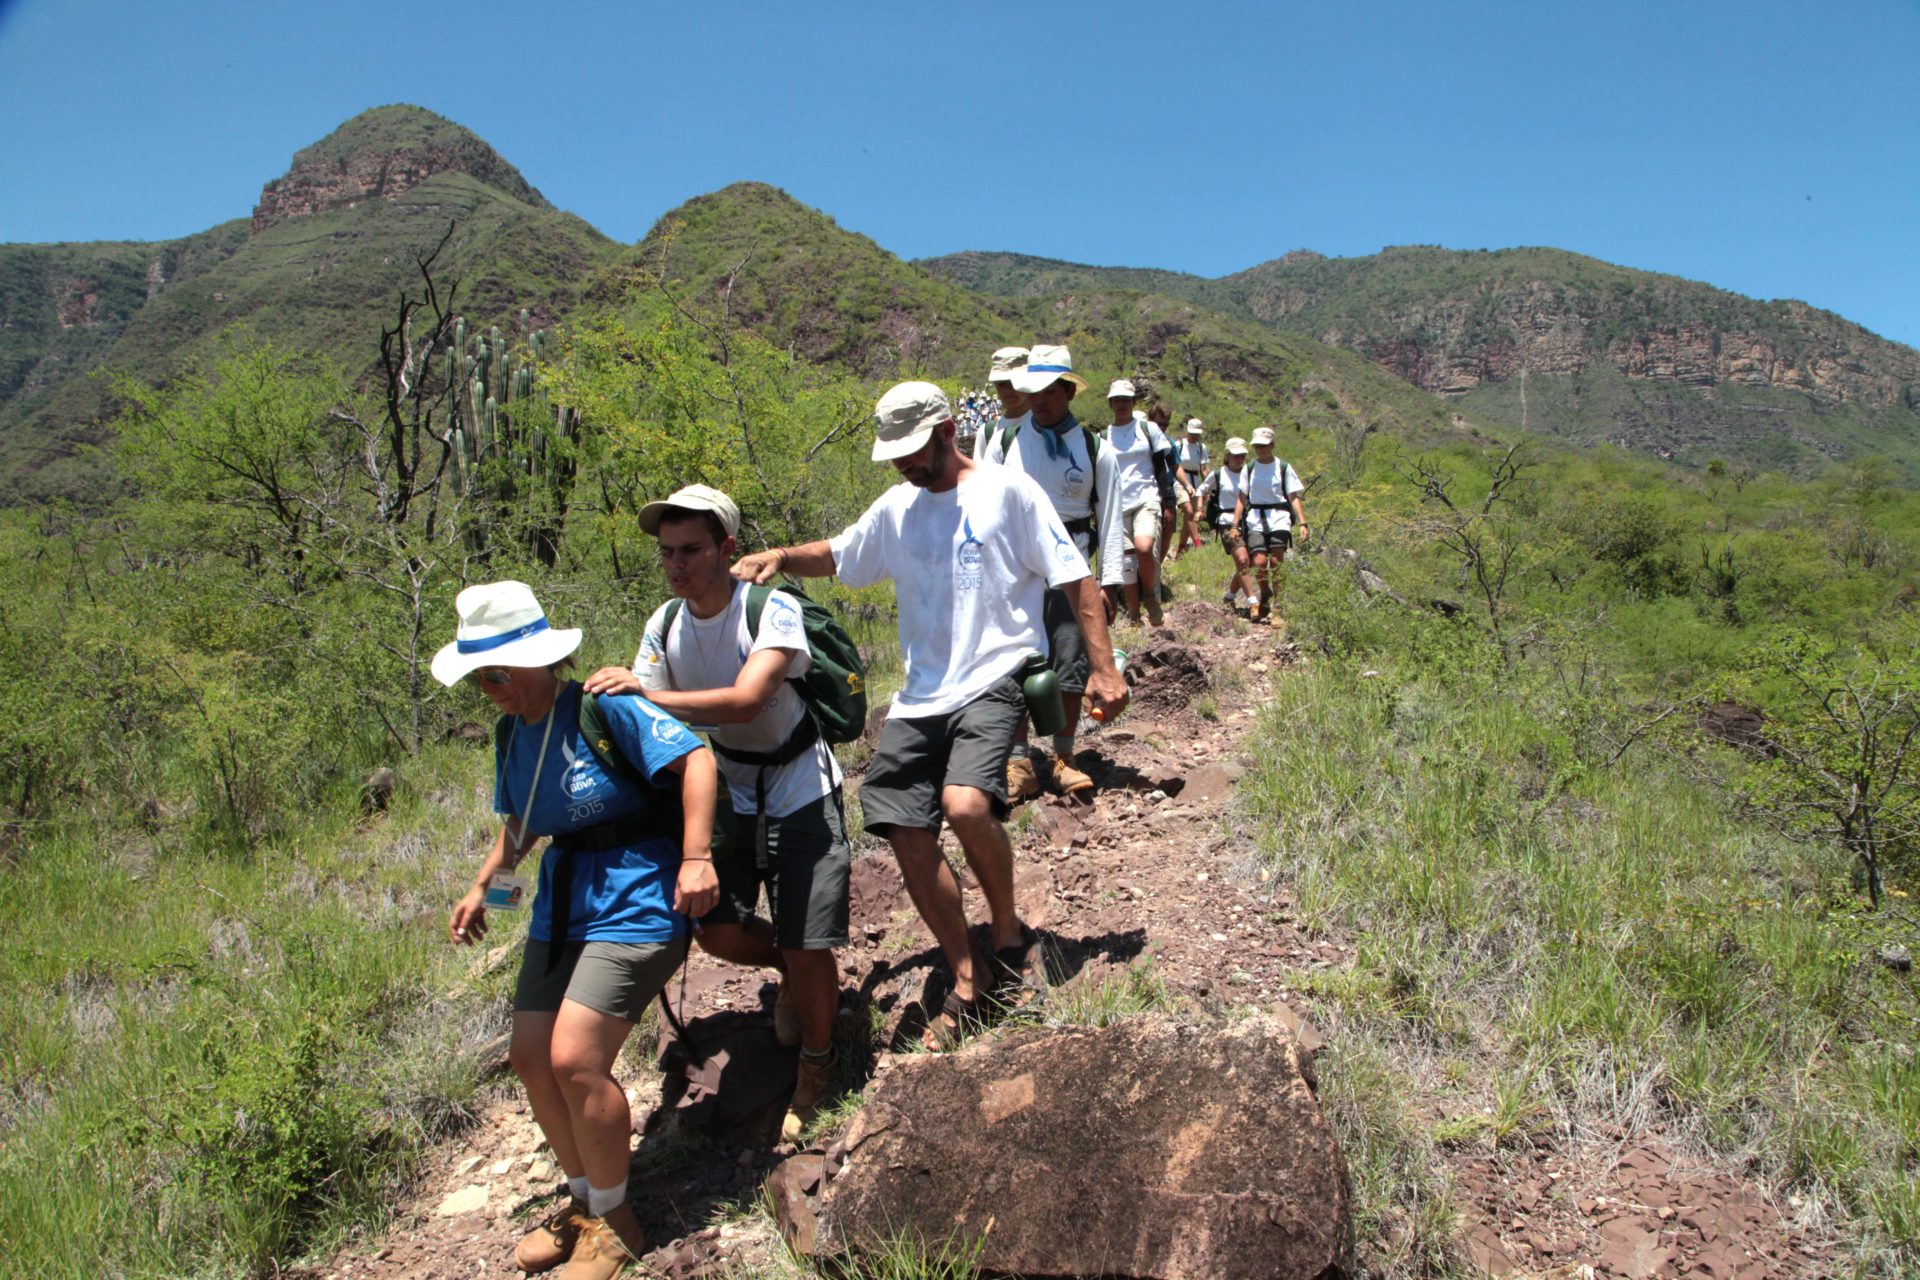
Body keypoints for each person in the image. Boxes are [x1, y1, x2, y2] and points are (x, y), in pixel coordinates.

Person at [734, 381, 1128, 1048]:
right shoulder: (897, 507)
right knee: (895, 816)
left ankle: (1007, 932)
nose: (904, 466)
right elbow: (838, 554)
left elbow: (1076, 580)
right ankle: (969, 973)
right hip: (921, 695)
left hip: (997, 675)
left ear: (948, 430)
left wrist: (1105, 667)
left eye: (914, 451)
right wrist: (781, 556)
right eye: (895, 457)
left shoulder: (1009, 491)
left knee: (967, 804)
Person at [439, 581, 720, 1280]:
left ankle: (619, 1224)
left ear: (538, 660)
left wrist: (695, 857)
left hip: (637, 893)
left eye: (497, 672)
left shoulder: (603, 704)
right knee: (531, 1058)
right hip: (565, 903)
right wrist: (484, 887)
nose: (488, 688)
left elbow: (697, 761)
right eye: (478, 677)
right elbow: (525, 820)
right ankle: (586, 1199)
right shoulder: (512, 733)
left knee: (574, 1060)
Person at [582, 484, 848, 1143]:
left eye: (692, 550)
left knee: (807, 940)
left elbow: (746, 701)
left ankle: (818, 1064)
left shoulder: (772, 610)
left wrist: (644, 695)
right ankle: (788, 974)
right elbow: (639, 710)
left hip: (799, 784)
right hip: (729, 787)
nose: (677, 565)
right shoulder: (664, 623)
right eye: (667, 552)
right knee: (717, 930)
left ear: (727, 549)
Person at [983, 344, 1129, 798]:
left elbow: (1110, 518)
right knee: (1016, 663)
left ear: (1067, 391)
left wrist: (1110, 584)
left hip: (1070, 569)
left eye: (1048, 391)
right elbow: (982, 506)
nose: (1039, 400)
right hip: (1014, 569)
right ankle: (1019, 762)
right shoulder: (1004, 441)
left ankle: (1064, 756)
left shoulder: (1094, 449)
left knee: (1068, 661)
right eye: (1033, 391)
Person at [1100, 381, 1175, 627]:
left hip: (1146, 497)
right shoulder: (1103, 437)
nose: (1121, 404)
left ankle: (1150, 596)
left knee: (1144, 548)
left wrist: (1169, 503)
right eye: (1117, 400)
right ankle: (1134, 615)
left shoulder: (1148, 429)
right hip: (1117, 504)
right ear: (1111, 403)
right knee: (1128, 562)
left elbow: (1162, 468)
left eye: (1126, 400)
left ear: (1133, 402)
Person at [1232, 427, 1309, 625]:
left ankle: (1278, 606)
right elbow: (1242, 498)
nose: (1261, 449)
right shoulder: (1249, 469)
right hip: (1255, 518)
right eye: (1257, 446)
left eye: (1264, 446)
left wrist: (1303, 522)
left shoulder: (1283, 468)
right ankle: (1265, 591)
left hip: (1279, 517)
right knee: (1258, 561)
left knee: (1276, 561)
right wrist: (1234, 524)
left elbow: (1293, 496)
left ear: (1272, 445)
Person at [1198, 436, 1255, 611]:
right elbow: (1202, 490)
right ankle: (1254, 603)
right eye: (1236, 455)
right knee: (1242, 559)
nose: (1239, 459)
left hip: (1250, 520)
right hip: (1227, 522)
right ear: (1227, 455)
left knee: (1249, 562)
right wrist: (1200, 508)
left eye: (1242, 456)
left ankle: (1229, 596)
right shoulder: (1218, 474)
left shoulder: (1250, 472)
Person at [971, 347, 1032, 461]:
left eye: (1014, 382)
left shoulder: (1045, 427)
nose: (1008, 390)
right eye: (1002, 384)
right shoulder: (987, 432)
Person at [1171, 418, 1210, 558]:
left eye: (1197, 433)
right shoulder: (1179, 445)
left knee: (1192, 516)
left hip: (1196, 482)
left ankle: (1181, 549)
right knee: (1188, 510)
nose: (1195, 436)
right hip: (1180, 481)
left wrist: (1207, 487)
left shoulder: (1201, 448)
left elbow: (1204, 469)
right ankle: (1197, 544)